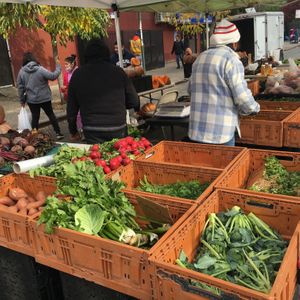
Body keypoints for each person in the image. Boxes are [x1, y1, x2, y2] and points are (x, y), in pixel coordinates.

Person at [188, 19, 260, 146]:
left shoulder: (200, 58)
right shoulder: (231, 60)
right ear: (234, 43)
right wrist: (254, 108)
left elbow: (190, 90)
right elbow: (242, 98)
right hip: (220, 134)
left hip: (196, 132)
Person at [67, 39, 140, 143]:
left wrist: (73, 131)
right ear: (106, 54)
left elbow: (71, 110)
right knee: (119, 157)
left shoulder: (77, 75)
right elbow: (134, 101)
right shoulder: (118, 72)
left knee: (98, 157)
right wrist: (120, 104)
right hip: (118, 128)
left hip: (92, 130)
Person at [17, 52, 64, 140]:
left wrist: (22, 101)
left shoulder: (21, 72)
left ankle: (34, 137)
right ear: (33, 59)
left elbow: (20, 88)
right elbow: (53, 76)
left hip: (32, 100)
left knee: (35, 117)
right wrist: (58, 66)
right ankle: (58, 133)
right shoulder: (40, 69)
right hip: (44, 98)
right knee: (50, 115)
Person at [60, 54, 82, 135]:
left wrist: (68, 86)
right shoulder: (66, 74)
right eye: (64, 64)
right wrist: (63, 89)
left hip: (79, 97)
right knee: (72, 116)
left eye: (67, 64)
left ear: (72, 64)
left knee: (79, 115)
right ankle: (75, 132)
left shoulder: (78, 72)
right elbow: (65, 85)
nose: (65, 66)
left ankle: (82, 131)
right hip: (70, 98)